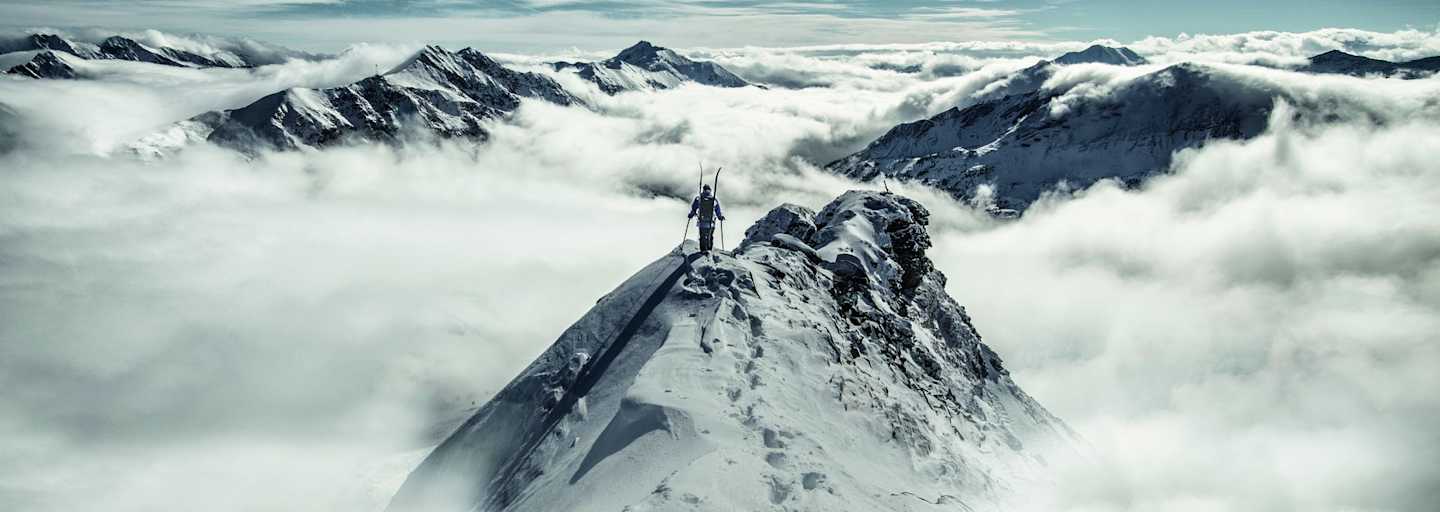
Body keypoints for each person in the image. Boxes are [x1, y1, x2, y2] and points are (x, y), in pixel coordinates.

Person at [688, 184, 725, 252]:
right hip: (711, 222)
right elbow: (718, 211)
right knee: (710, 236)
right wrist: (720, 217)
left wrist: (691, 215)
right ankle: (709, 249)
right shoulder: (714, 200)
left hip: (702, 222)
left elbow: (694, 209)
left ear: (703, 190)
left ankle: (703, 250)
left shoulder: (699, 199)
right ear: (710, 190)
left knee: (702, 236)